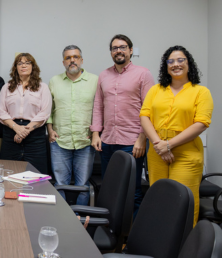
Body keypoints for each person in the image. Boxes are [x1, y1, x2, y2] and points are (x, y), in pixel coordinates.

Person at [140, 46, 212, 225]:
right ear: (166, 66)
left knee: (183, 201)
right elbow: (144, 115)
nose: (176, 64)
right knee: (159, 199)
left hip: (186, 154)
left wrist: (169, 145)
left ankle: (186, 247)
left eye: (181, 60)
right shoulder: (156, 89)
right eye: (170, 61)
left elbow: (201, 123)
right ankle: (160, 244)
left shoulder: (201, 92)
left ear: (189, 64)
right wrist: (159, 144)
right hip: (156, 152)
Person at [90, 34, 154, 216]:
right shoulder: (103, 75)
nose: (118, 50)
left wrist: (142, 138)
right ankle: (109, 230)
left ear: (131, 50)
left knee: (131, 191)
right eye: (114, 48)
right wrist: (96, 133)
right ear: (111, 52)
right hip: (108, 141)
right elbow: (98, 106)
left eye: (123, 47)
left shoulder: (143, 74)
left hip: (132, 142)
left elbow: (149, 109)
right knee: (109, 188)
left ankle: (132, 237)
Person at [48, 45, 98, 205]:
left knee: (82, 185)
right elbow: (49, 110)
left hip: (85, 141)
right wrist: (49, 129)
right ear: (63, 62)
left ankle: (80, 219)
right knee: (59, 184)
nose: (72, 60)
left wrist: (96, 133)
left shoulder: (95, 81)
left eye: (75, 57)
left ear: (81, 60)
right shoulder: (54, 81)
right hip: (60, 141)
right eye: (68, 58)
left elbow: (99, 109)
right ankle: (62, 219)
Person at [0, 53, 52, 174]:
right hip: (11, 133)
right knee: (8, 172)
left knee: (36, 175)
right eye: (20, 63)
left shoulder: (42, 87)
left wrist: (24, 131)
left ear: (33, 67)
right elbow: (1, 112)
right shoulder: (6, 87)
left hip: (35, 135)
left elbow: (44, 113)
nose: (24, 65)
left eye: (27, 63)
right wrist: (16, 128)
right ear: (15, 67)